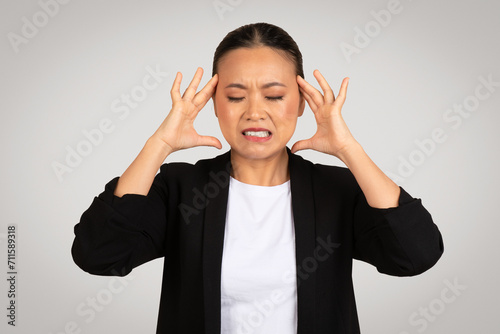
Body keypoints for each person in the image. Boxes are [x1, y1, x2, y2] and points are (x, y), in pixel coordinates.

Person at [71, 22, 443, 334]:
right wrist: (160, 143)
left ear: (300, 102)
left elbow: (415, 255)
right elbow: (99, 254)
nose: (255, 112)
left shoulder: (337, 191)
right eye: (235, 97)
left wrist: (349, 149)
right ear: (214, 104)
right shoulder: (182, 189)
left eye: (274, 95)